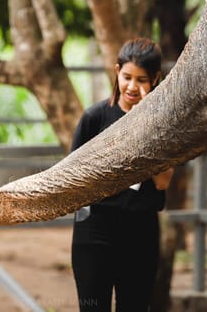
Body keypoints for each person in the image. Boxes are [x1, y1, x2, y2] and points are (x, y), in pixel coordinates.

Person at [70, 37, 174, 312]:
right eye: (127, 77)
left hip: (140, 231)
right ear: (117, 72)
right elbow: (73, 179)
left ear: (155, 79)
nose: (132, 86)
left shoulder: (163, 125)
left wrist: (146, 124)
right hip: (94, 231)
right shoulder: (94, 117)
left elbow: (162, 181)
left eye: (141, 80)